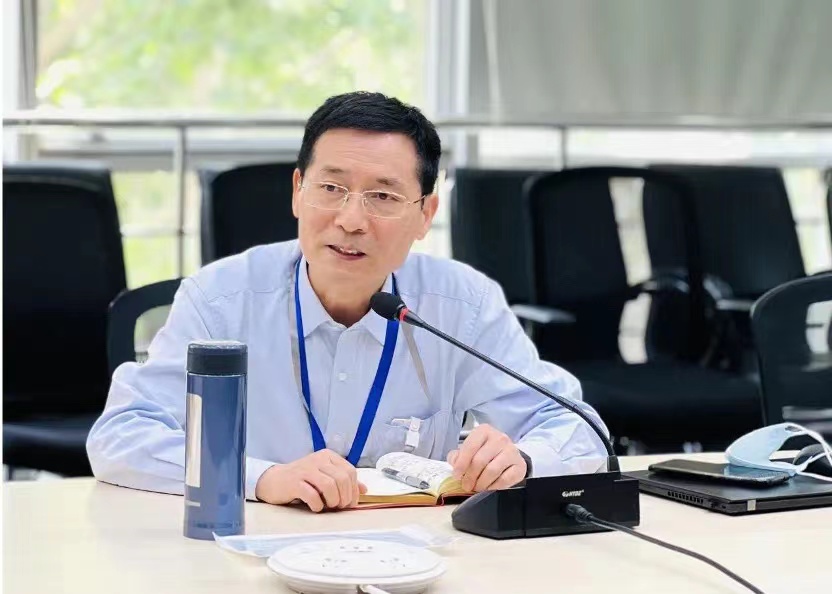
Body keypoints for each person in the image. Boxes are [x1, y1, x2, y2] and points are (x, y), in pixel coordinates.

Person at [87, 91, 608, 513]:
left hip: (414, 556)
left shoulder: (462, 305)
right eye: (331, 188)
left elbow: (578, 427)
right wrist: (261, 478)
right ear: (298, 191)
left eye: (383, 196)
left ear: (425, 214)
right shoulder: (220, 300)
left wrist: (522, 460)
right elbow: (121, 435)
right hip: (254, 545)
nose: (351, 220)